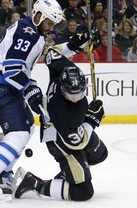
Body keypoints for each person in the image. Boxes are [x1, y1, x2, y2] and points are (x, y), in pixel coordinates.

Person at [0, 0, 89, 201]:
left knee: (27, 128)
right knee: (19, 131)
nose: (50, 27)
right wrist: (29, 88)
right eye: (48, 22)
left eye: (53, 24)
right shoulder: (28, 32)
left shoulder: (31, 31)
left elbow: (46, 55)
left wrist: (73, 45)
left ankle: (3, 173)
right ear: (38, 16)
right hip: (1, 82)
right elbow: (11, 69)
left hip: (1, 82)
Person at [14, 43, 108, 202]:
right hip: (60, 140)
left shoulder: (62, 69)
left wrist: (73, 43)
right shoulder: (62, 113)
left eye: (79, 92)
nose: (76, 97)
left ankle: (70, 173)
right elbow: (77, 142)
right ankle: (34, 184)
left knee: (100, 154)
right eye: (72, 94)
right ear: (64, 90)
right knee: (83, 192)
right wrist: (92, 120)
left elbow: (52, 52)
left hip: (72, 129)